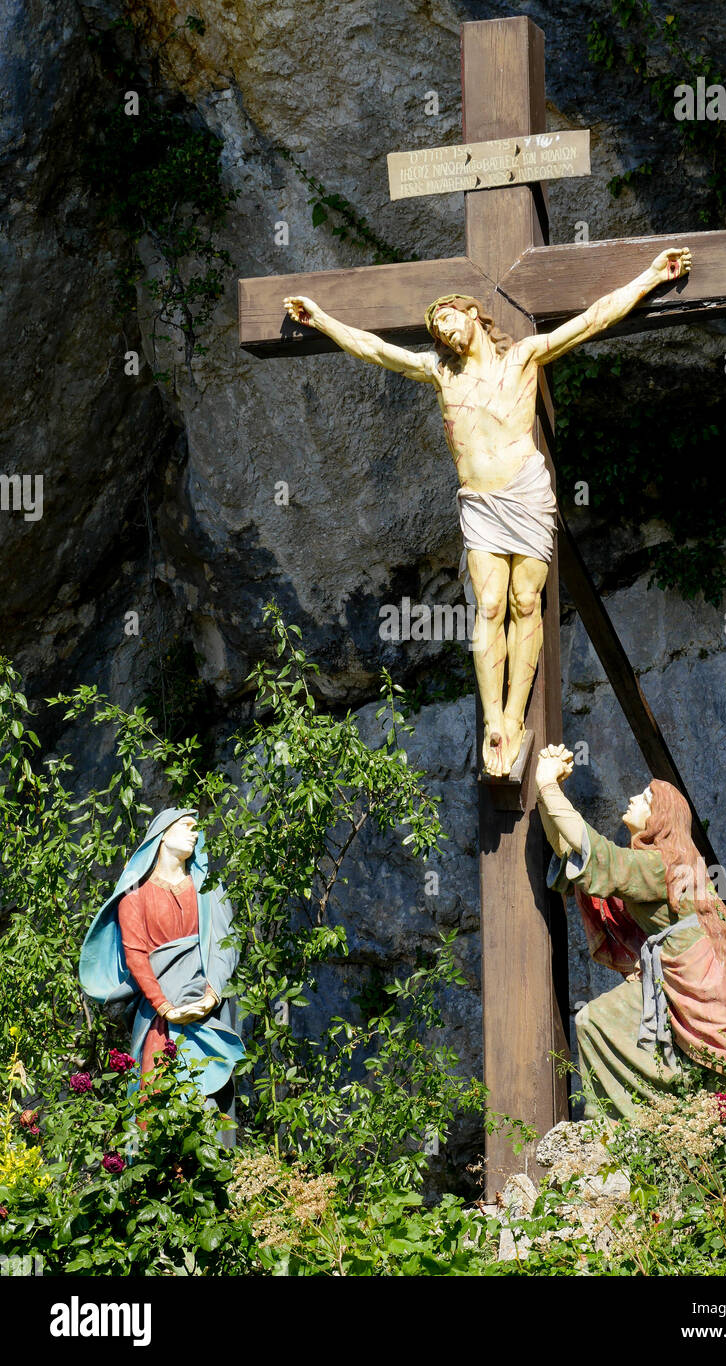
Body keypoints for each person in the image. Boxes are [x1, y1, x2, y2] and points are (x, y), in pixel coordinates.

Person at [283, 246, 691, 776]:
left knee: (527, 603)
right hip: (479, 502)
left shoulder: (523, 357)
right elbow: (374, 349)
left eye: (447, 319)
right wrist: (322, 320)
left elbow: (592, 319)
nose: (443, 332)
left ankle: (516, 716)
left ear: (472, 313)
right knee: (490, 608)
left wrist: (649, 277)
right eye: (436, 329)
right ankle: (494, 719)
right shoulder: (439, 372)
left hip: (525, 492)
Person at [535, 744, 726, 1120]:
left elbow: (601, 856)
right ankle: (643, 1122)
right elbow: (571, 853)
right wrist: (548, 795)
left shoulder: (661, 865)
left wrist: (549, 788)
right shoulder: (653, 863)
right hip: (668, 970)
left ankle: (659, 1122)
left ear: (660, 819)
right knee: (594, 1020)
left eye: (644, 798)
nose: (632, 799)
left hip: (692, 976)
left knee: (714, 1061)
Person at [79, 808, 244, 1124]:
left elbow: (227, 945)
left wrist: (211, 995)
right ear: (163, 833)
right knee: (156, 1104)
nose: (194, 834)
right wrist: (166, 1007)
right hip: (158, 1017)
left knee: (208, 1107)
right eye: (186, 826)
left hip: (206, 1012)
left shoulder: (208, 888)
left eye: (197, 829)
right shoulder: (135, 892)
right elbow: (136, 955)